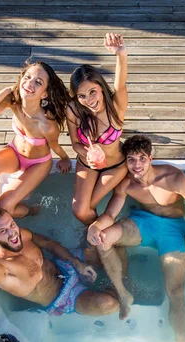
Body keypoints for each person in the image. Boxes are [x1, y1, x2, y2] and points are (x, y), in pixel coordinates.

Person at [87, 135, 185, 342]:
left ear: (151, 158)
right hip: (143, 222)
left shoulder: (172, 177)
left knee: (176, 292)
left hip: (173, 231)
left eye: (142, 159)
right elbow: (110, 215)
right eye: (131, 160)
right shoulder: (126, 182)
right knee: (104, 241)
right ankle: (123, 293)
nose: (137, 166)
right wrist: (95, 227)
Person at [0, 207, 119, 317]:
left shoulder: (21, 234)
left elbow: (49, 244)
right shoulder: (2, 265)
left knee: (107, 243)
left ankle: (120, 285)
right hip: (63, 296)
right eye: (3, 231)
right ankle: (118, 292)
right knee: (109, 303)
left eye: (12, 225)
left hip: (65, 267)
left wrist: (76, 263)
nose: (12, 233)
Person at [0, 61, 71, 218]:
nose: (30, 83)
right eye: (28, 77)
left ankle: (31, 211)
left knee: (4, 206)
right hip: (15, 153)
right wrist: (5, 91)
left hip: (38, 164)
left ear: (44, 94)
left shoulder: (47, 125)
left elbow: (54, 145)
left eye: (38, 82)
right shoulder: (13, 102)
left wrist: (64, 158)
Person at [68, 33, 129, 225]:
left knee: (90, 205)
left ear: (101, 87)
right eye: (82, 96)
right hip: (88, 164)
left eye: (92, 92)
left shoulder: (116, 108)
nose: (89, 100)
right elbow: (75, 144)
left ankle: (99, 237)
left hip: (115, 166)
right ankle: (98, 235)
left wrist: (121, 54)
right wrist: (86, 154)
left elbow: (120, 84)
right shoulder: (73, 109)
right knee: (80, 210)